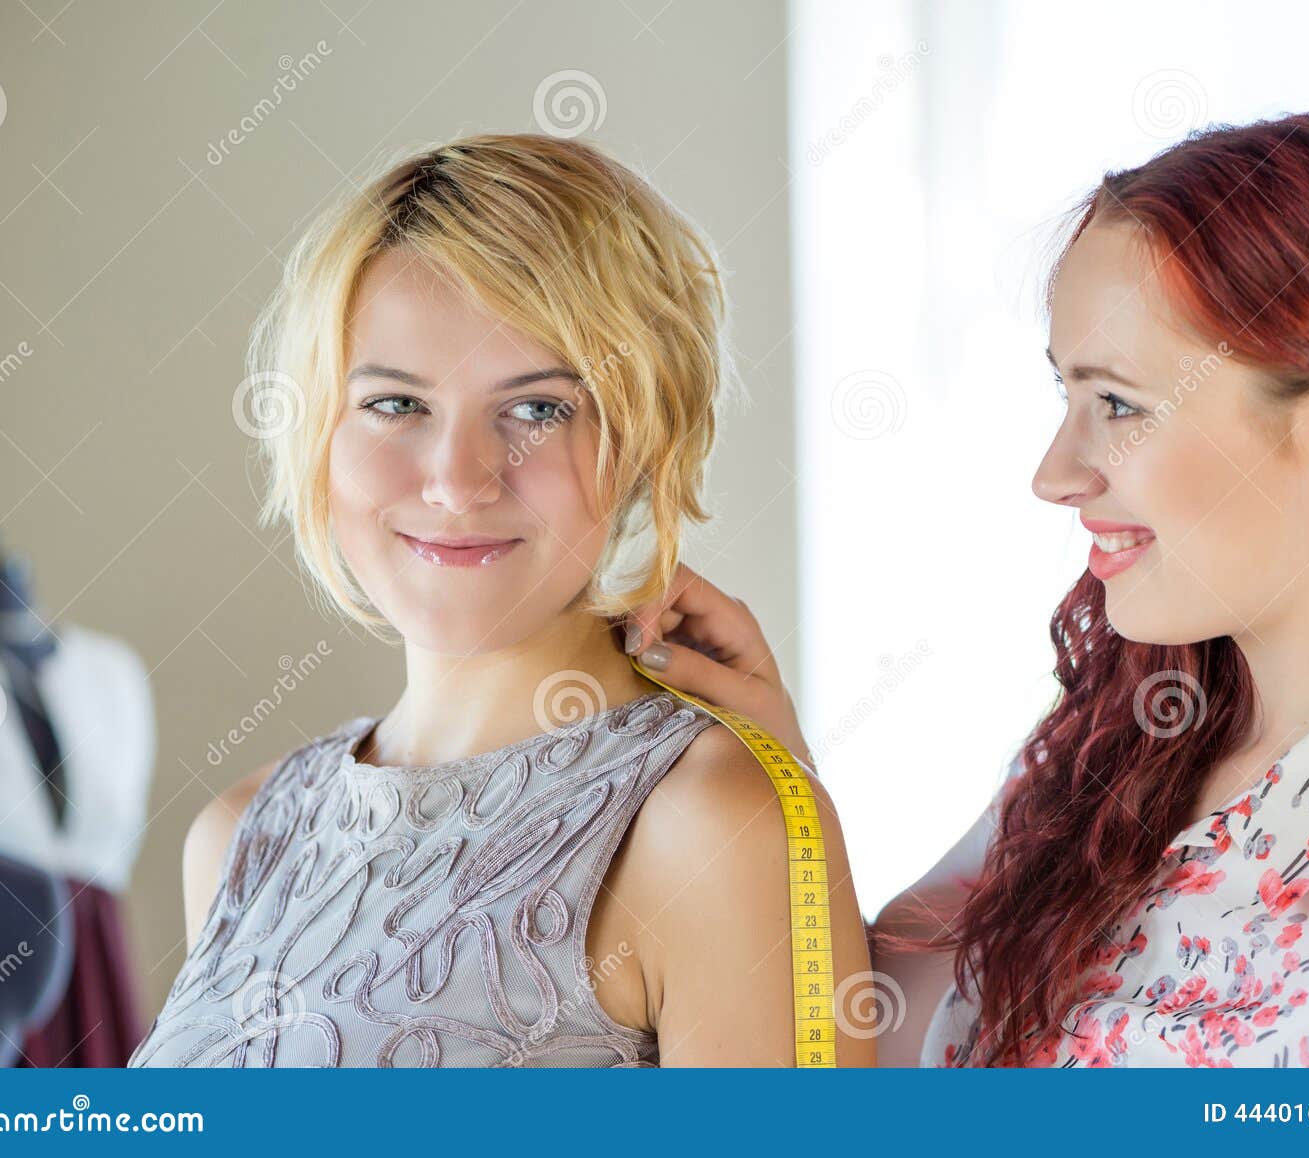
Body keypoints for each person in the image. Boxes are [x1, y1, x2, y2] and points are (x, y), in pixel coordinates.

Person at [622, 109, 1309, 1067]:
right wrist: (780, 773)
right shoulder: (1122, 738)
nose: (1054, 475)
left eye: (1119, 404)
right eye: (1069, 396)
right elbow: (868, 1043)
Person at [129, 134, 873, 1068]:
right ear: (319, 427)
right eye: (396, 404)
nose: (457, 481)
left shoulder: (712, 824)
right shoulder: (243, 834)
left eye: (538, 409)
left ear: (645, 437)